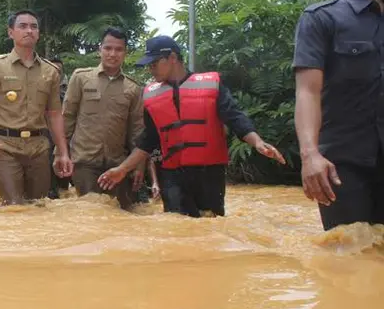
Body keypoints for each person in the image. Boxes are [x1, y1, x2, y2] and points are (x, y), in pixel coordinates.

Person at [97, 35, 285, 217]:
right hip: (171, 175)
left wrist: (258, 142)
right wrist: (122, 169)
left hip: (209, 174)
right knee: (177, 226)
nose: (150, 69)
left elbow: (235, 117)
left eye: (154, 63)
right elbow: (149, 140)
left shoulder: (212, 85)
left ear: (172, 58)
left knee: (210, 224)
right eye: (149, 65)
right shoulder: (151, 95)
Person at [293, 0, 384, 230]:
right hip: (343, 167)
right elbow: (307, 91)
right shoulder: (322, 18)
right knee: (349, 262)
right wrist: (310, 156)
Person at [0, 10, 73, 205]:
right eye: (23, 26)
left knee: (38, 206)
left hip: (38, 147)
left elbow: (54, 114)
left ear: (39, 34)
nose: (29, 31)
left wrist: (63, 152)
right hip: (4, 146)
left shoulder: (50, 71)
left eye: (34, 27)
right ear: (11, 32)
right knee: (13, 207)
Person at [61, 27, 145, 209]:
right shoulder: (81, 78)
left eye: (118, 49)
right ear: (100, 50)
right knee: (90, 213)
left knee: (119, 216)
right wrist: (60, 154)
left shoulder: (133, 88)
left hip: (118, 165)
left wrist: (138, 166)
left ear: (125, 53)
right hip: (85, 162)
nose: (112, 54)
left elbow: (137, 131)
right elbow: (67, 118)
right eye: (108, 48)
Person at [47, 55, 71, 198]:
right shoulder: (39, 90)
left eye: (59, 70)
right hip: (43, 142)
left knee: (64, 187)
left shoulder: (70, 92)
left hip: (64, 143)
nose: (56, 73)